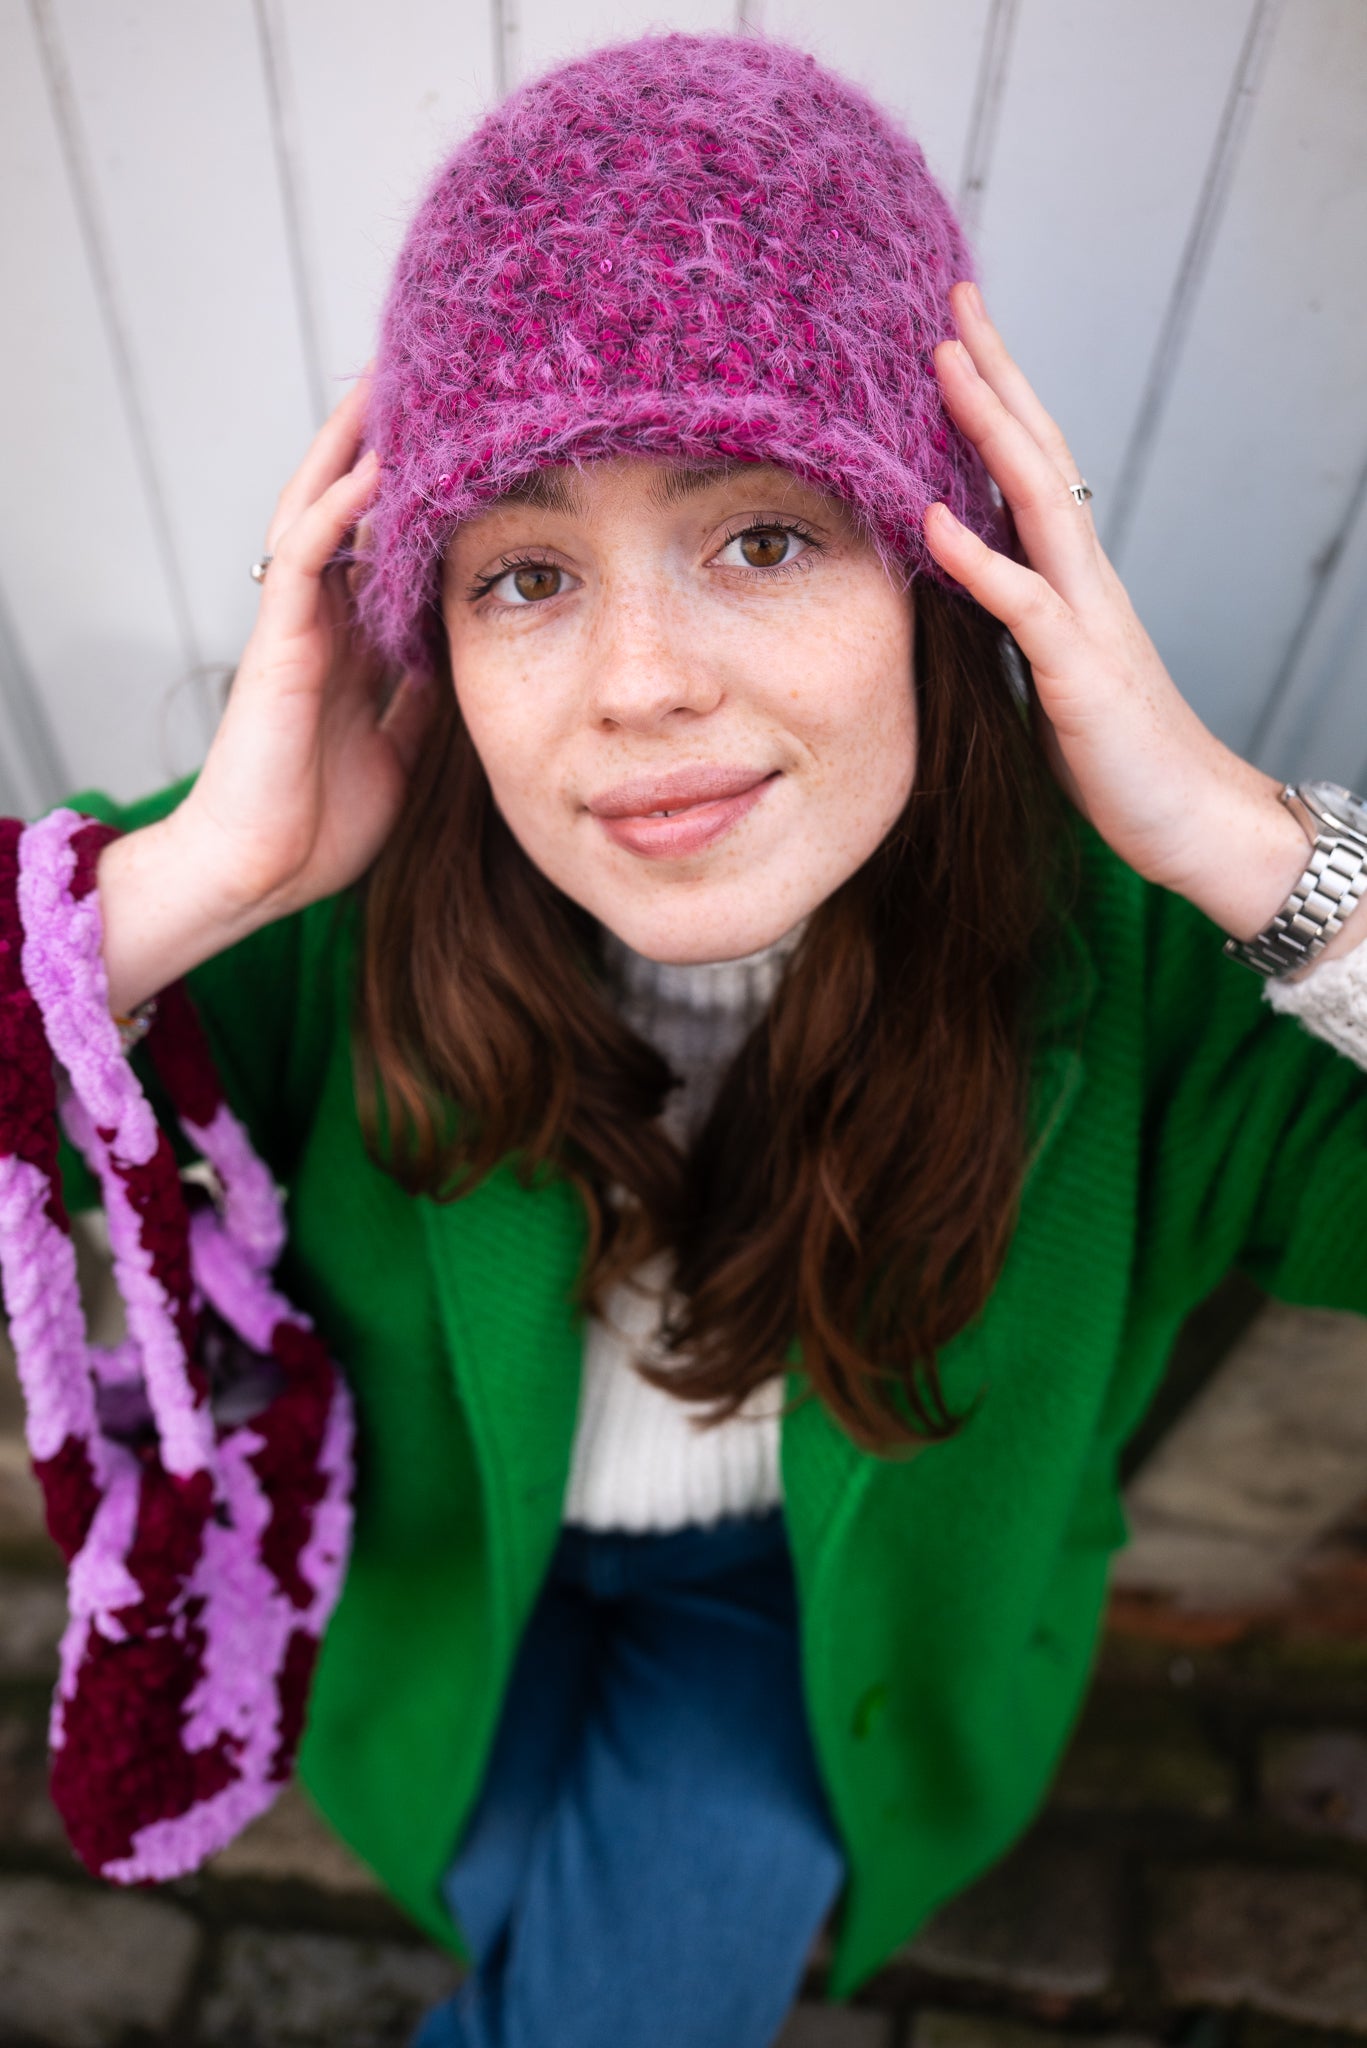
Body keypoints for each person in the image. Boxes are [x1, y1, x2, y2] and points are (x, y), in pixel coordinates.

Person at [35, 28, 1367, 2048]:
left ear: (950, 568)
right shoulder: (328, 893)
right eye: (529, 571)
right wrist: (205, 875)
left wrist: (1242, 847)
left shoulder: (1146, 957)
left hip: (800, 1622)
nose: (641, 683)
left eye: (763, 532)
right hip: (430, 1601)